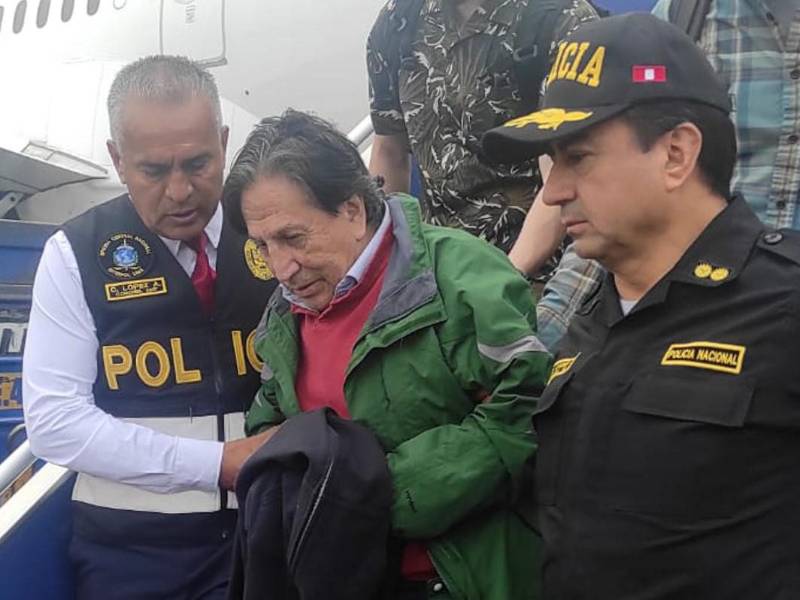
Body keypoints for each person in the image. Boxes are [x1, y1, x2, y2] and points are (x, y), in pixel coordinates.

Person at [483, 13, 800, 598]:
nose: (552, 193)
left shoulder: (784, 306)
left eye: (577, 157)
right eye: (551, 165)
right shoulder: (586, 326)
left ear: (676, 153)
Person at [223, 109, 551, 600]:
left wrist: (381, 494)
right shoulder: (282, 317)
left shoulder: (458, 276)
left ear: (353, 210)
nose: (281, 267)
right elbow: (267, 427)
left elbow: (532, 407)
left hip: (464, 580)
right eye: (263, 246)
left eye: (292, 237)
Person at [22, 56, 276, 599]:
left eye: (198, 164)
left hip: (271, 535)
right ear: (117, 159)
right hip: (136, 556)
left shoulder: (271, 229)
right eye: (154, 171)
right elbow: (54, 422)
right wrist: (215, 464)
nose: (180, 191)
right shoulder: (76, 254)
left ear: (225, 141)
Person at [367, 0, 600, 350]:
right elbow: (389, 150)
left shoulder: (558, 20)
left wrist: (499, 283)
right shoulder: (398, 22)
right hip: (439, 277)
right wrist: (391, 279)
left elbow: (565, 180)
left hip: (535, 273)